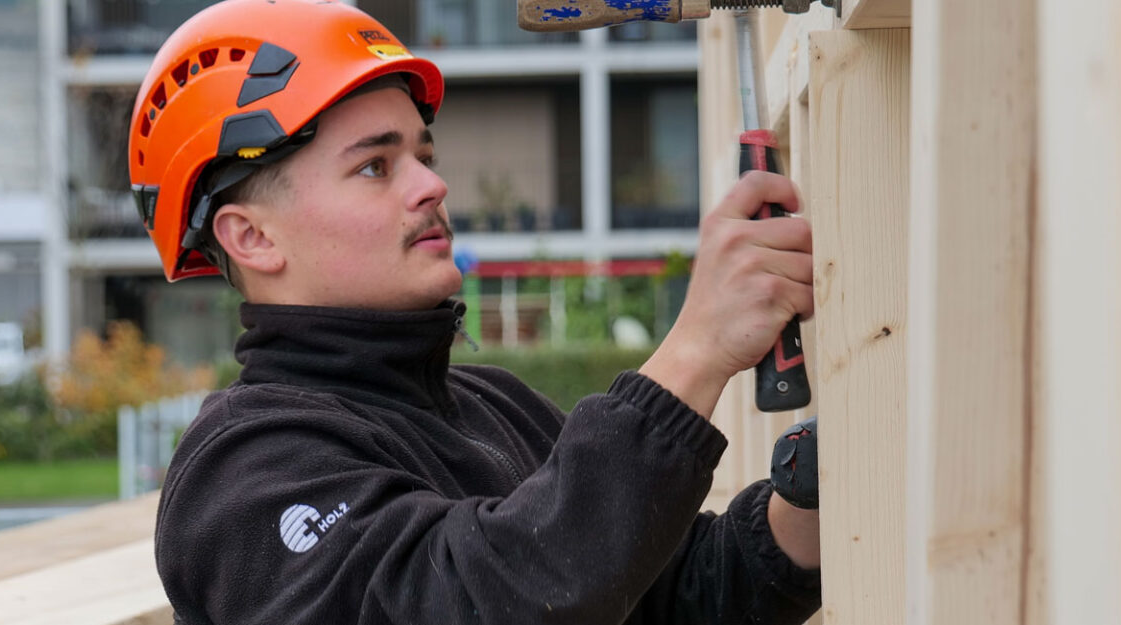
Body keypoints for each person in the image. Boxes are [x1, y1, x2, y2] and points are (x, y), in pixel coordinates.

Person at [129, 2, 821, 623]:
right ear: (253, 237)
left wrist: (812, 497)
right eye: (375, 167)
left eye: (423, 155)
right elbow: (483, 601)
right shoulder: (245, 474)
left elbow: (667, 594)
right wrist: (696, 348)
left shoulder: (495, 405)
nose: (432, 185)